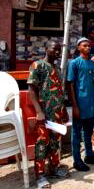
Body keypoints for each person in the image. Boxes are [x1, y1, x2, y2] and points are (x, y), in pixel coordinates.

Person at [27, 40, 69, 188]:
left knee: (54, 142)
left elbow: (59, 91)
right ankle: (40, 175)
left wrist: (63, 111)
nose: (57, 52)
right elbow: (31, 91)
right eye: (54, 49)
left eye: (59, 49)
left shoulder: (57, 68)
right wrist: (38, 111)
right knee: (42, 143)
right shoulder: (37, 65)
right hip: (44, 114)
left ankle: (54, 168)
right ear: (46, 49)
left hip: (56, 113)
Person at [67, 37, 94, 172]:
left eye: (89, 45)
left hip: (91, 103)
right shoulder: (74, 63)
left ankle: (89, 155)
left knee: (88, 131)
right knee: (76, 133)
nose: (88, 47)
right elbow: (70, 84)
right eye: (85, 45)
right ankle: (77, 160)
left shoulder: (93, 64)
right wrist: (74, 106)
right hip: (79, 104)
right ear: (79, 48)